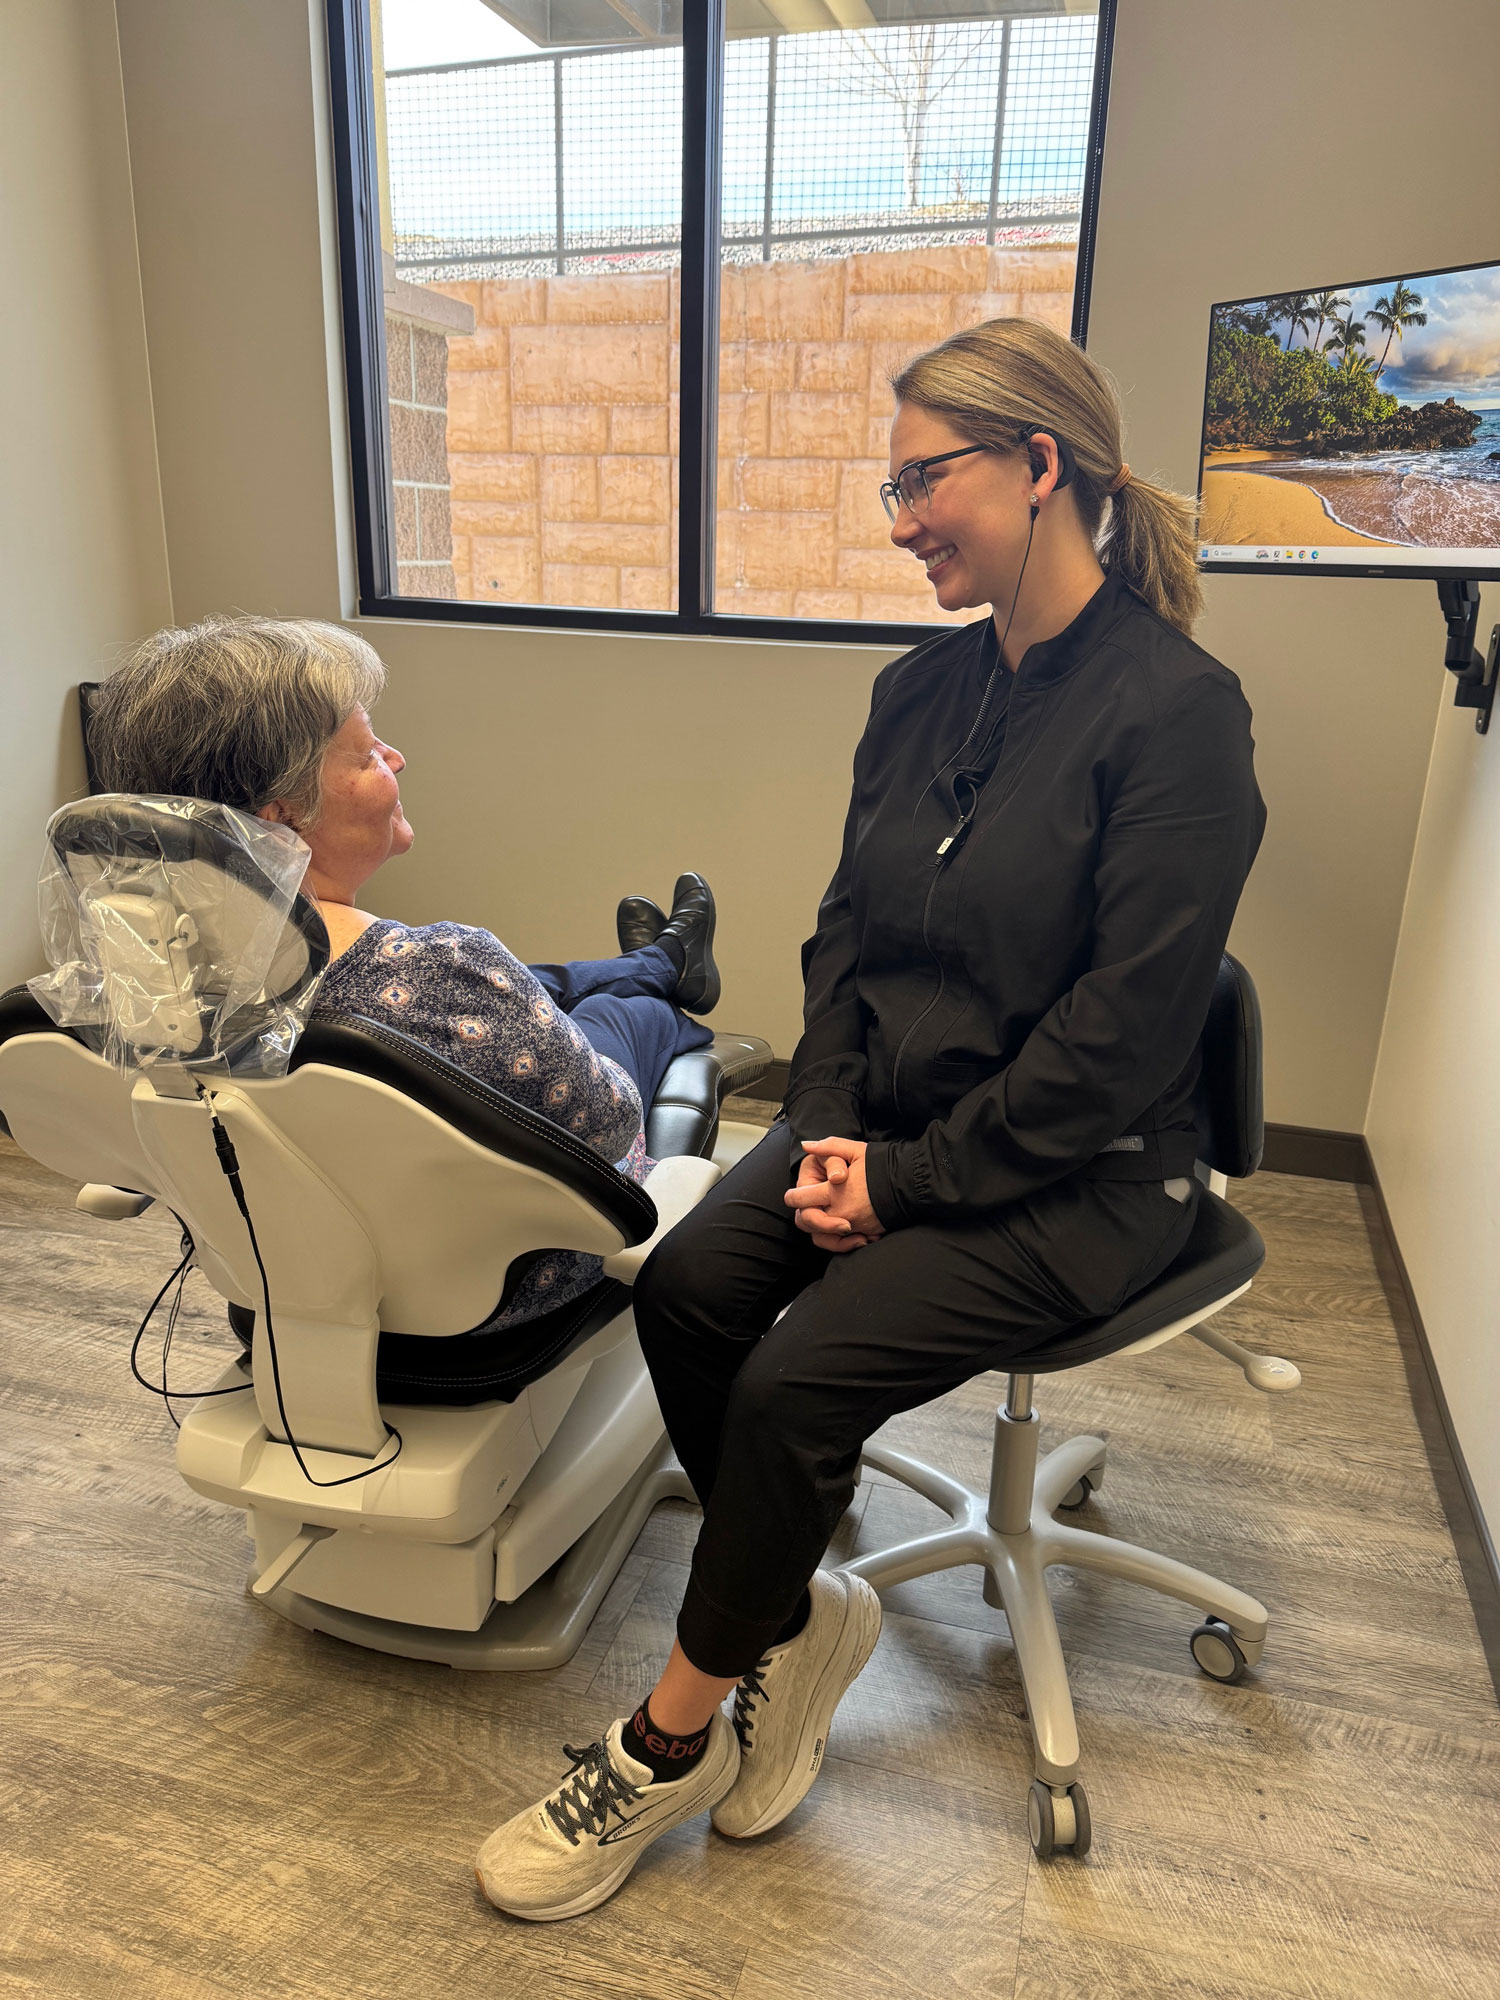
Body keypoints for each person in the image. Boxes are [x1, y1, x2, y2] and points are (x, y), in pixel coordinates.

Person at [475, 316, 1266, 1920]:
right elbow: (846, 943)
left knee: (790, 1383)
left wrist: (898, 1186)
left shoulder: (1179, 716)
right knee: (691, 1289)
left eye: (926, 480)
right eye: (890, 483)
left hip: (1092, 1172)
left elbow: (1118, 1046)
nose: (900, 518)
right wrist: (828, 1128)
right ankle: (796, 1621)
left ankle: (664, 1741)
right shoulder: (918, 693)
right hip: (887, 1126)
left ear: (1042, 466)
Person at [87, 616, 720, 1332]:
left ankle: (659, 958)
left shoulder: (142, 984)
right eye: (364, 753)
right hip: (496, 1302)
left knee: (535, 985)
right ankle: (665, 978)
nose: (396, 756)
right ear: (284, 818)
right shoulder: (447, 971)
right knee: (626, 1017)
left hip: (274, 1288)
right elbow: (611, 1126)